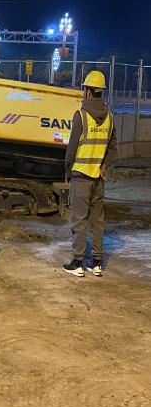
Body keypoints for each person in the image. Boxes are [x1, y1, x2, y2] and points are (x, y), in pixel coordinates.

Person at [62, 70, 117, 277]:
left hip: (81, 176)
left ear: (86, 90)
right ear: (101, 91)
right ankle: (97, 263)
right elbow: (113, 146)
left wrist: (67, 170)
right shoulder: (109, 117)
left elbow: (71, 149)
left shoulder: (81, 116)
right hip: (98, 178)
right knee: (97, 221)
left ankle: (77, 263)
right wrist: (104, 166)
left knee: (79, 220)